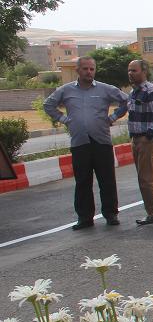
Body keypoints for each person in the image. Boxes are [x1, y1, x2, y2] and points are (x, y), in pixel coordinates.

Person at [43, 56, 129, 230]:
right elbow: (48, 105)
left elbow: (126, 101)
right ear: (78, 70)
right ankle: (84, 218)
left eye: (92, 69)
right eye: (85, 69)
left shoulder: (105, 89)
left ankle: (111, 214)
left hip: (101, 141)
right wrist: (63, 118)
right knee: (82, 181)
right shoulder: (66, 91)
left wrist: (113, 117)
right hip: (80, 143)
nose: (89, 72)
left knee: (107, 180)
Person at [126, 59, 153, 225]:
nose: (130, 73)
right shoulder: (133, 92)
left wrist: (147, 138)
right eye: (129, 70)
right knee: (142, 178)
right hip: (136, 139)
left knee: (146, 179)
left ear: (144, 72)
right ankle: (152, 212)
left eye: (134, 70)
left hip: (147, 140)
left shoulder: (151, 91)